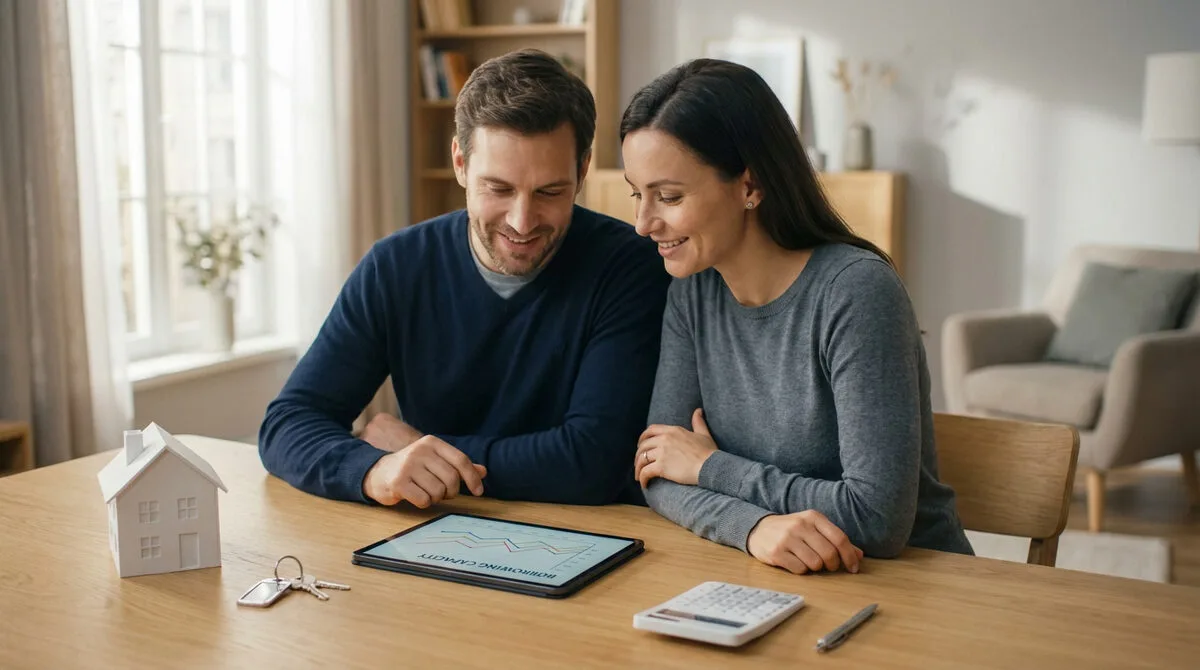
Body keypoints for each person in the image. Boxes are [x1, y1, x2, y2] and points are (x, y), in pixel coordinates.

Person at [259, 49, 669, 509]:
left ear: (582, 169)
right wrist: (374, 469)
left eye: (549, 192)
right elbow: (287, 424)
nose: (522, 220)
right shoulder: (396, 266)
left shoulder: (631, 268)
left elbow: (591, 462)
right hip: (432, 529)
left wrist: (417, 446)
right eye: (498, 189)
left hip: (588, 535)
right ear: (459, 162)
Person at [622, 59, 973, 576]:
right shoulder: (691, 291)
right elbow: (659, 471)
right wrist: (752, 528)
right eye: (637, 193)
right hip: (778, 575)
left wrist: (710, 467)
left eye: (668, 197)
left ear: (750, 186)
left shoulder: (855, 292)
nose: (642, 223)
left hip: (914, 584)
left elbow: (876, 519)